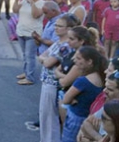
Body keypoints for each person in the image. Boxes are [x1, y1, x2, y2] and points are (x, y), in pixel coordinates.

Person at [37, 13, 78, 142]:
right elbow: (42, 56)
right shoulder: (57, 43)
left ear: (68, 29)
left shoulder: (65, 46)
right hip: (46, 82)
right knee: (44, 116)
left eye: (60, 26)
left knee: (50, 118)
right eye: (56, 25)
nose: (56, 28)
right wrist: (45, 59)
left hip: (53, 84)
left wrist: (45, 59)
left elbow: (48, 62)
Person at [61, 46, 107, 142]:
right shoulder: (100, 77)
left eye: (79, 58)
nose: (75, 61)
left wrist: (72, 100)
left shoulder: (82, 81)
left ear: (89, 62)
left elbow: (66, 99)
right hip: (87, 116)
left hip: (76, 116)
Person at [13, 0, 45, 85]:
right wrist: (16, 0)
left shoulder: (42, 3)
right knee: (24, 55)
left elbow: (35, 15)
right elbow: (15, 10)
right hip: (21, 31)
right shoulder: (24, 1)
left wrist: (32, 3)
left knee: (29, 56)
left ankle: (30, 78)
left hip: (33, 34)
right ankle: (26, 72)